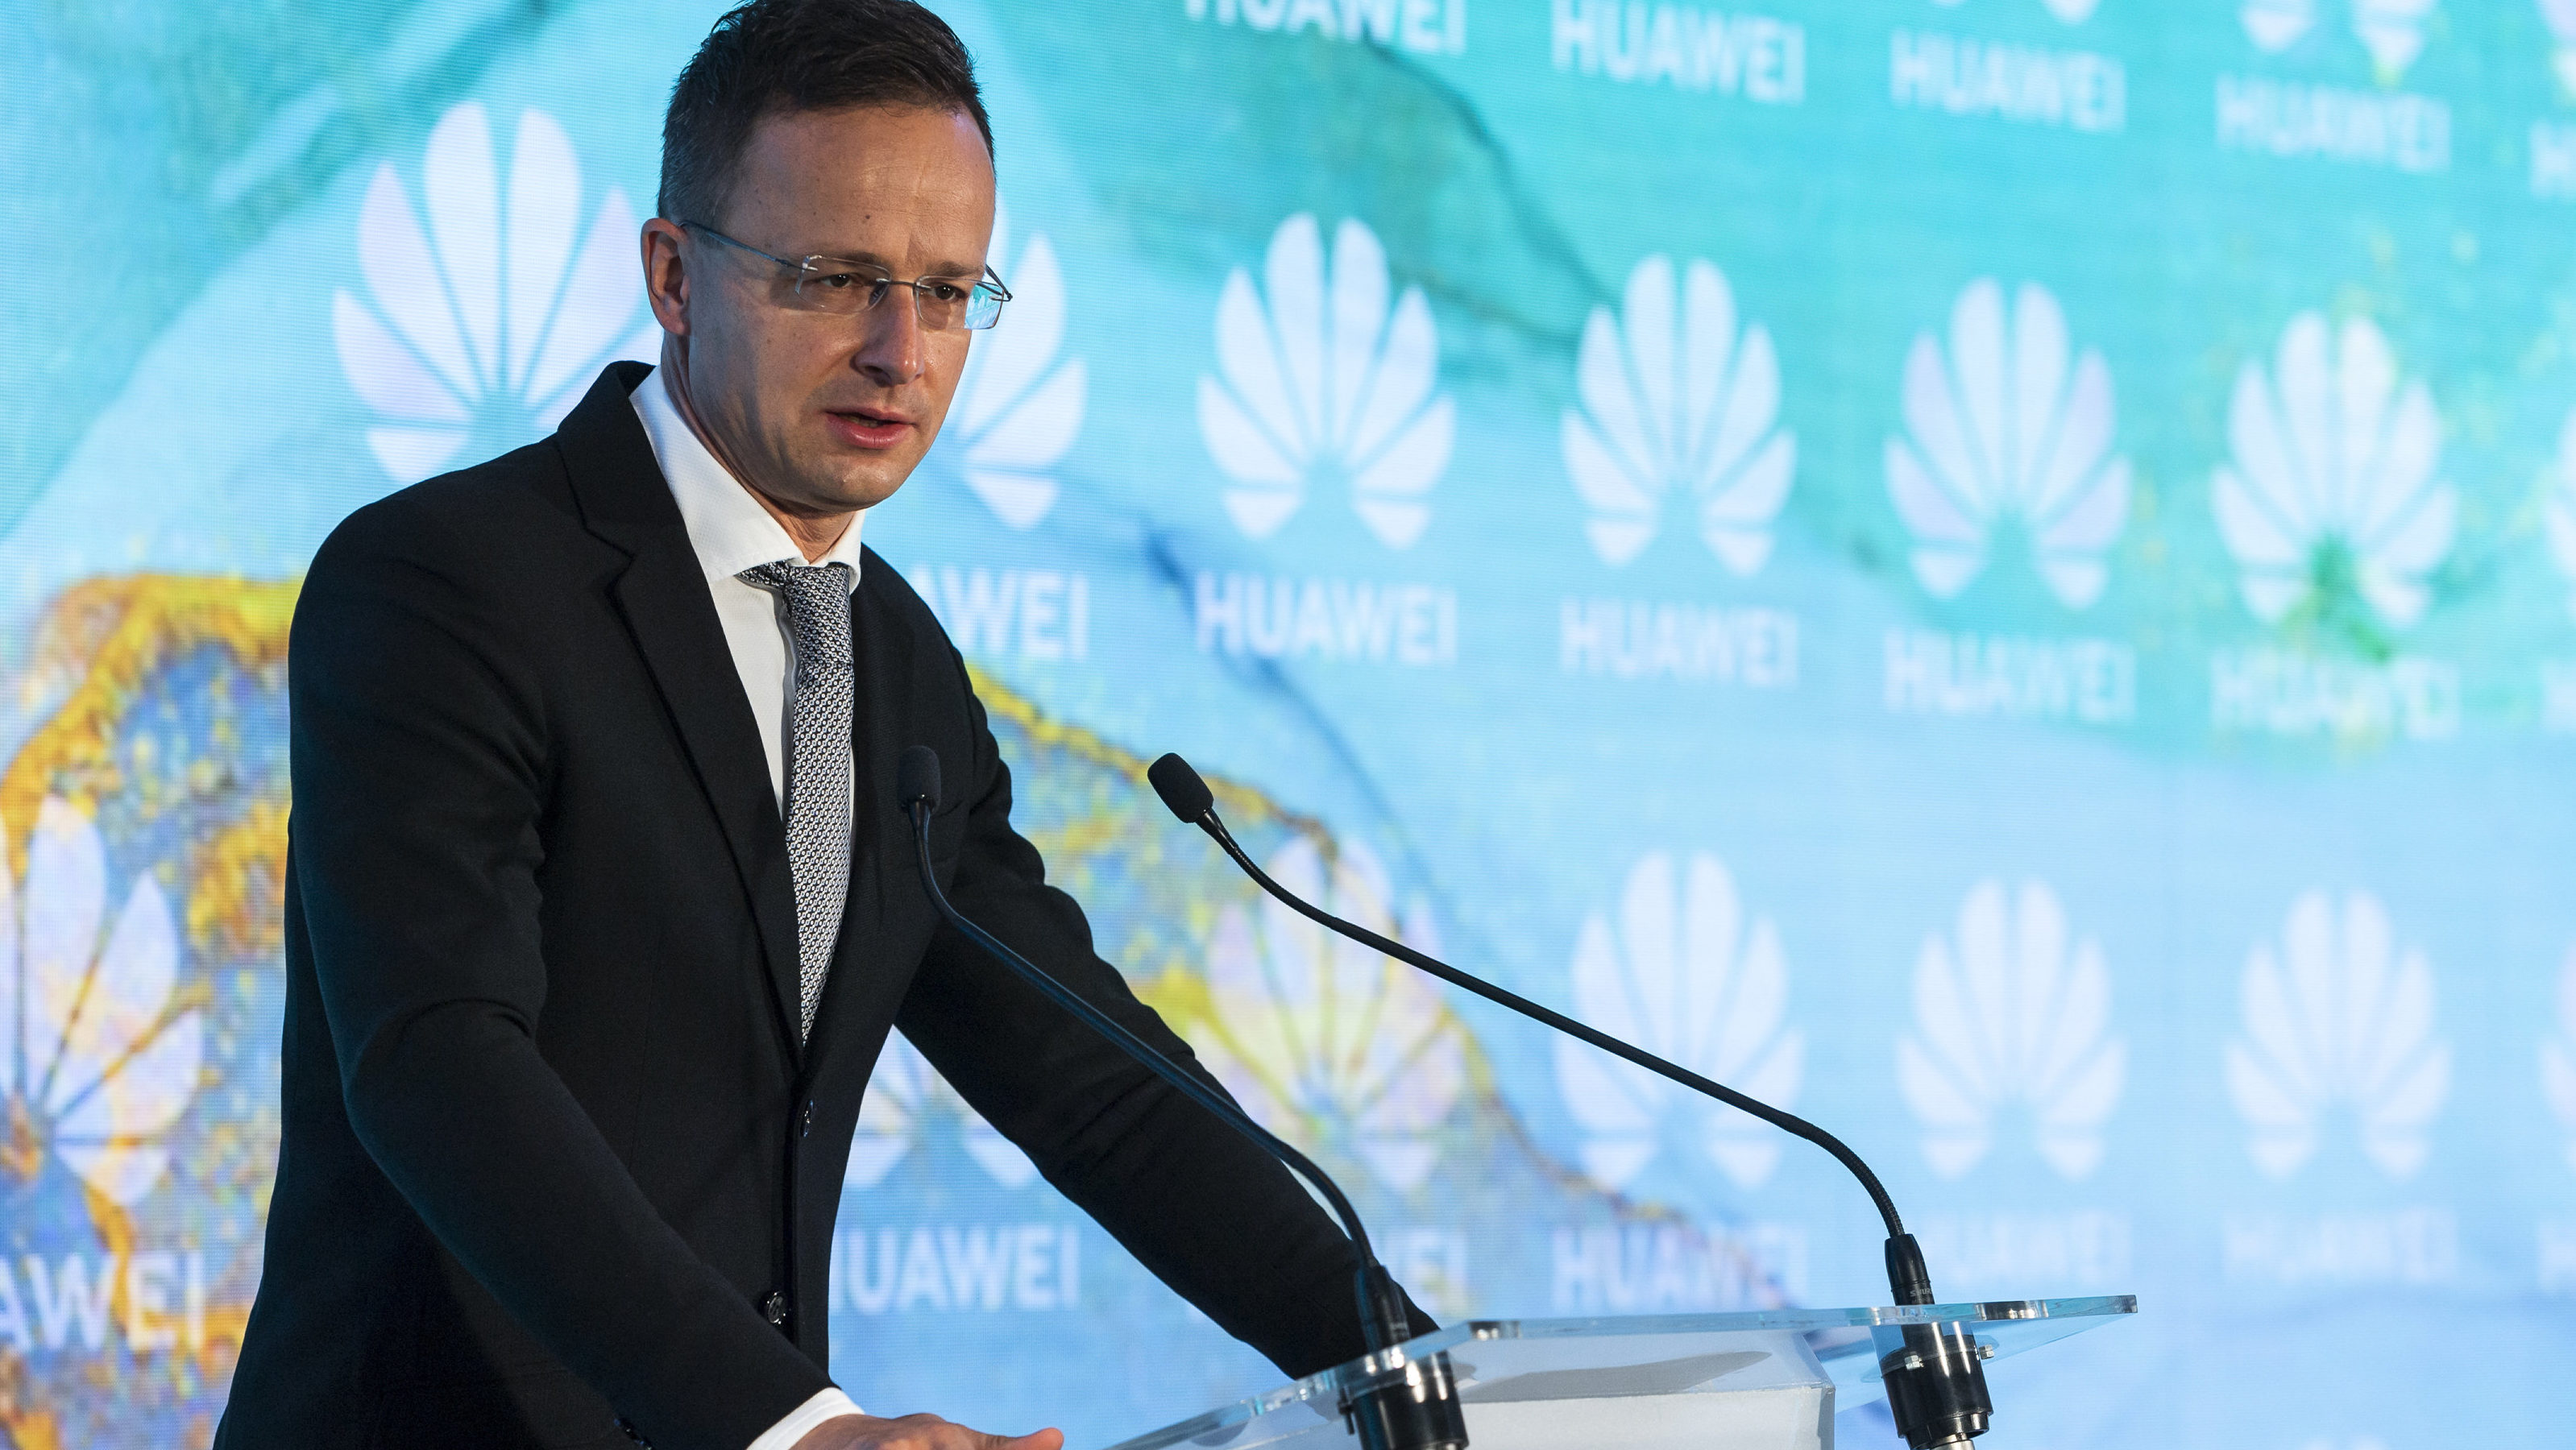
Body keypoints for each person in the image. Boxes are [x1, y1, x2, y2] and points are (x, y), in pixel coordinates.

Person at [215, 3, 1428, 1447]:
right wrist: (798, 1429)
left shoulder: (895, 658)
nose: (899, 351)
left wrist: (1423, 1376)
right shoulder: (447, 582)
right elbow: (438, 1063)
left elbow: (1097, 1093)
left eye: (947, 290)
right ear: (673, 276)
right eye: (836, 278)